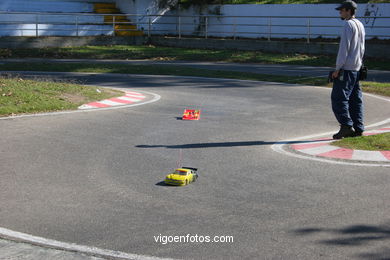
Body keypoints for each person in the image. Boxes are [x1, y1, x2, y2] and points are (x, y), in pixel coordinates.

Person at [331, 0, 365, 139]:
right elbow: (362, 47)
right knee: (355, 99)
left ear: (349, 11)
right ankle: (359, 127)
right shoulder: (360, 24)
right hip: (357, 67)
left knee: (339, 98)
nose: (340, 12)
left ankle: (346, 126)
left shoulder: (348, 24)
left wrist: (338, 68)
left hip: (347, 68)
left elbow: (344, 48)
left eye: (342, 10)